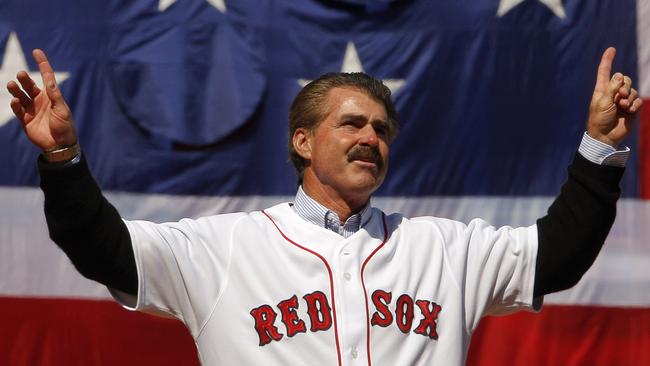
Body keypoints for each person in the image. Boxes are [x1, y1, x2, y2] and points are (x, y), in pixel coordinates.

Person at [6, 48, 642, 365]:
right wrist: (63, 161)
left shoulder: (444, 248)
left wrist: (599, 149)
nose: (371, 137)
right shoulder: (225, 247)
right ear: (302, 141)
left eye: (382, 129)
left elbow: (557, 255)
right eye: (352, 124)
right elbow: (102, 248)